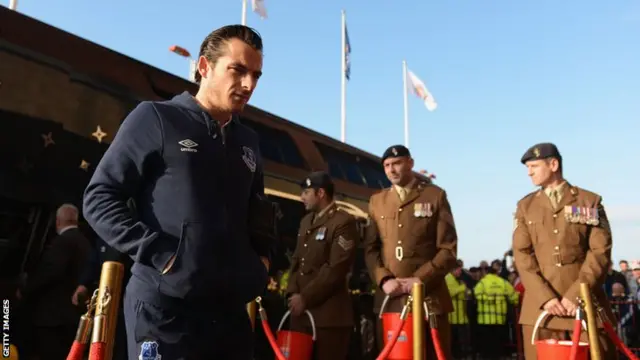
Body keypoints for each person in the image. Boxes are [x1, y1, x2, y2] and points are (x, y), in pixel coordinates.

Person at [83, 25, 276, 360]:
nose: (249, 85)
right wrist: (162, 255)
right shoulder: (156, 118)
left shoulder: (249, 142)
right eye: (238, 70)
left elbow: (257, 214)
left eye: (256, 75)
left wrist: (259, 266)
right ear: (204, 67)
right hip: (164, 312)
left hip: (229, 315)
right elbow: (100, 197)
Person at [512, 142, 617, 359]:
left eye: (534, 166)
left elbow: (600, 251)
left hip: (586, 306)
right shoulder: (525, 206)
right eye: (527, 168)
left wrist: (577, 294)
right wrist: (546, 298)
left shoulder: (589, 201)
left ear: (553, 164)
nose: (529, 172)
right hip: (541, 312)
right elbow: (522, 255)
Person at [364, 145, 458, 359]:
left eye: (396, 163)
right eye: (387, 166)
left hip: (429, 298)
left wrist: (420, 279)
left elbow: (448, 249)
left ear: (410, 163)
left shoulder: (435, 196)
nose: (391, 170)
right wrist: (383, 279)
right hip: (390, 299)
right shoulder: (377, 201)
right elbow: (370, 249)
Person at [285, 171, 359, 360]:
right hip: (301, 316)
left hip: (329, 319)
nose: (302, 197)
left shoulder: (343, 221)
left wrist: (305, 298)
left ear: (321, 193)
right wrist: (292, 293)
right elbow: (296, 260)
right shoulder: (305, 222)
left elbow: (336, 268)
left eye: (306, 192)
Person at [20, 204, 91, 359]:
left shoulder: (62, 242)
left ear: (57, 221)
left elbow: (49, 273)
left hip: (52, 316)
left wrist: (25, 290)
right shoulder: (86, 243)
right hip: (73, 316)